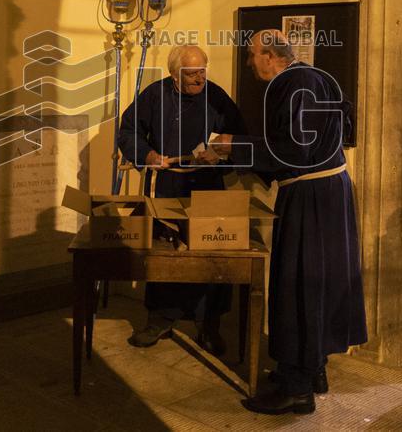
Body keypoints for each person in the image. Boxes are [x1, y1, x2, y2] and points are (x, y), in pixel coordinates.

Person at [207, 30, 367, 415]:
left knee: (298, 285)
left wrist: (232, 146)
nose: (249, 63)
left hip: (311, 197)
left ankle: (297, 389)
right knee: (319, 284)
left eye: (252, 55)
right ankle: (312, 370)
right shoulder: (314, 77)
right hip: (329, 192)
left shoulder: (293, 83)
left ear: (270, 56)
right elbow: (343, 127)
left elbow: (294, 150)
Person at [117, 44, 246, 355]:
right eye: (191, 73)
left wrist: (219, 153)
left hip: (206, 185)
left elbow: (238, 133)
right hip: (168, 184)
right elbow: (128, 131)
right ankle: (160, 319)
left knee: (209, 252)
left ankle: (208, 324)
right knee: (165, 253)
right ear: (175, 75)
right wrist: (147, 154)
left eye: (203, 71)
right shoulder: (154, 95)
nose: (199, 78)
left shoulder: (214, 95)